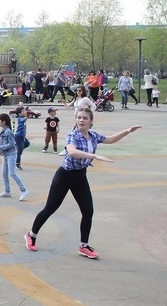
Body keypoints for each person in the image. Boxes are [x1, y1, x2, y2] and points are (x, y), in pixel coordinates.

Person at [25, 109, 141, 259]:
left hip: (80, 176)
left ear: (90, 121)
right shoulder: (72, 135)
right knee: (50, 208)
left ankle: (84, 246)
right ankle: (31, 235)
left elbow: (110, 139)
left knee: (88, 211)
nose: (81, 120)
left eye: (84, 118)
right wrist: (94, 156)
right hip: (65, 176)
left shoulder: (93, 136)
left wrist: (128, 131)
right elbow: (72, 152)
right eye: (79, 118)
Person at [0, 113, 28, 201]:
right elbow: (5, 143)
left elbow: (12, 144)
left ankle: (24, 190)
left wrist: (0, 148)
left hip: (11, 154)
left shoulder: (8, 131)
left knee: (12, 173)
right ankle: (7, 191)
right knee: (4, 173)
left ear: (3, 122)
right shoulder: (3, 131)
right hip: (5, 154)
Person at [13, 105, 29, 169]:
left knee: (27, 143)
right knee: (20, 151)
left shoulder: (22, 117)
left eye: (25, 110)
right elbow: (23, 120)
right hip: (19, 136)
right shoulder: (20, 119)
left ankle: (18, 149)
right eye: (23, 111)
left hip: (22, 136)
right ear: (19, 114)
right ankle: (17, 163)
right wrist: (25, 118)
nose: (25, 111)